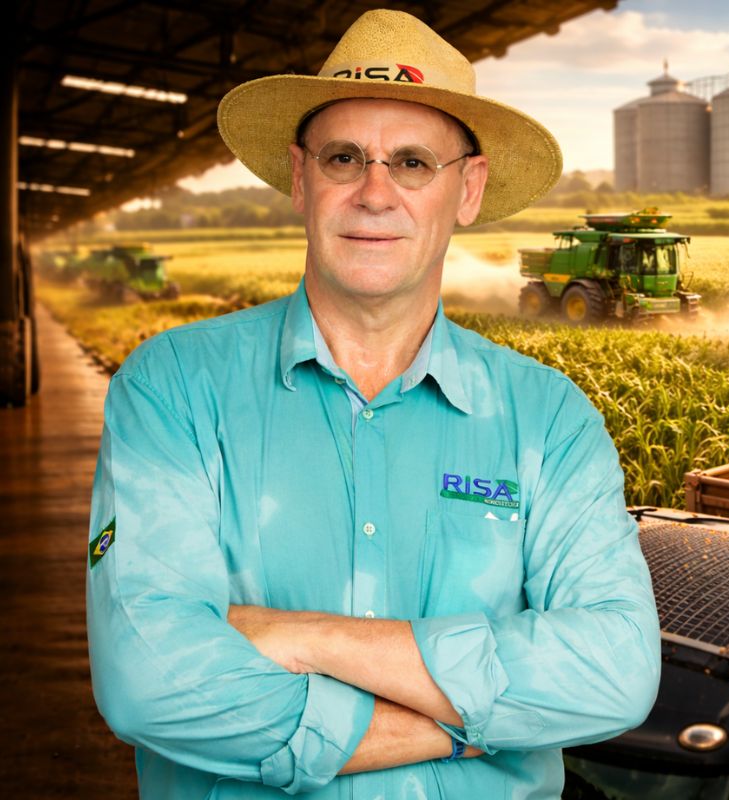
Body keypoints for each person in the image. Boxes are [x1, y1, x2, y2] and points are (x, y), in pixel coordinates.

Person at [85, 10, 660, 799]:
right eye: (344, 157)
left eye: (415, 162)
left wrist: (303, 637)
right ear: (300, 177)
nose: (375, 193)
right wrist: (466, 725)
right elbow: (151, 680)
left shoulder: (549, 420)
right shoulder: (173, 387)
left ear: (470, 188)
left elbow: (614, 670)